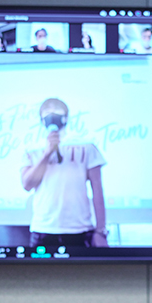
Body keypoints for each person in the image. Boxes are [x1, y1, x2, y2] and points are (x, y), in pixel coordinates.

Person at [20, 98, 108, 250]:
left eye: (57, 111)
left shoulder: (86, 145)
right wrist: (47, 153)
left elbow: (97, 190)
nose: (52, 115)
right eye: (47, 112)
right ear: (42, 119)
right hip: (43, 228)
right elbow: (27, 184)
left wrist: (100, 231)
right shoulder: (32, 149)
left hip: (79, 228)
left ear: (66, 118)